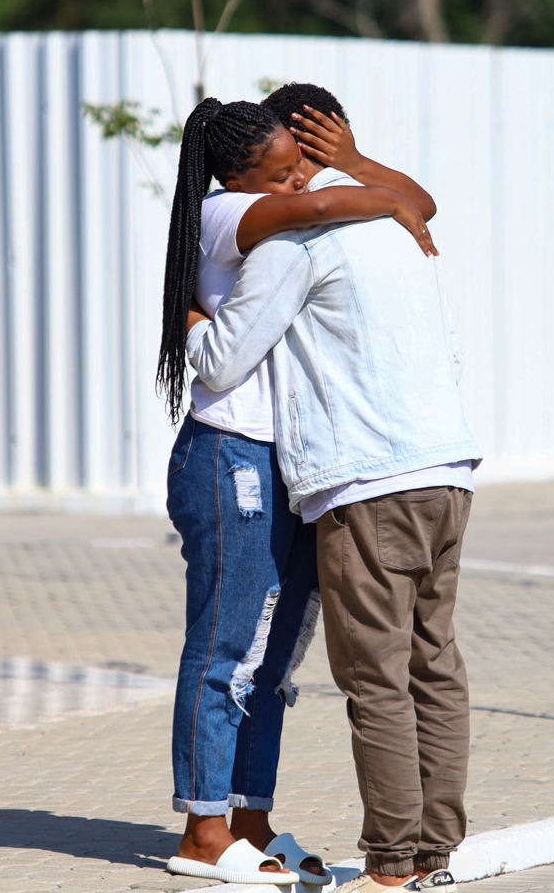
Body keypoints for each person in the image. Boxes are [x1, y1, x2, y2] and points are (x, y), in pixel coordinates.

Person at [186, 84, 481, 892]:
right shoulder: (400, 225)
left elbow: (219, 362)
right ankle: (434, 856)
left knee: (377, 679)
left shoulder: (297, 244)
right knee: (435, 666)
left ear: (295, 147)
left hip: (367, 483)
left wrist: (186, 314)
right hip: (449, 473)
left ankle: (390, 868)